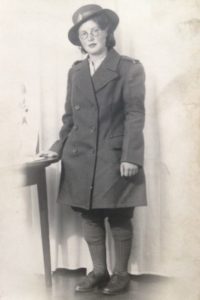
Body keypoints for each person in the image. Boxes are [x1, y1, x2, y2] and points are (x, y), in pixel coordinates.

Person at [42, 4, 146, 295]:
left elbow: (135, 115)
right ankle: (99, 271)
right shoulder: (75, 72)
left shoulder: (129, 68)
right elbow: (69, 118)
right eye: (83, 34)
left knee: (120, 213)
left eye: (95, 31)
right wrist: (56, 148)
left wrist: (131, 156)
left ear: (107, 32)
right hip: (81, 154)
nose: (90, 37)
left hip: (114, 155)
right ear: (79, 40)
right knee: (90, 214)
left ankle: (121, 274)